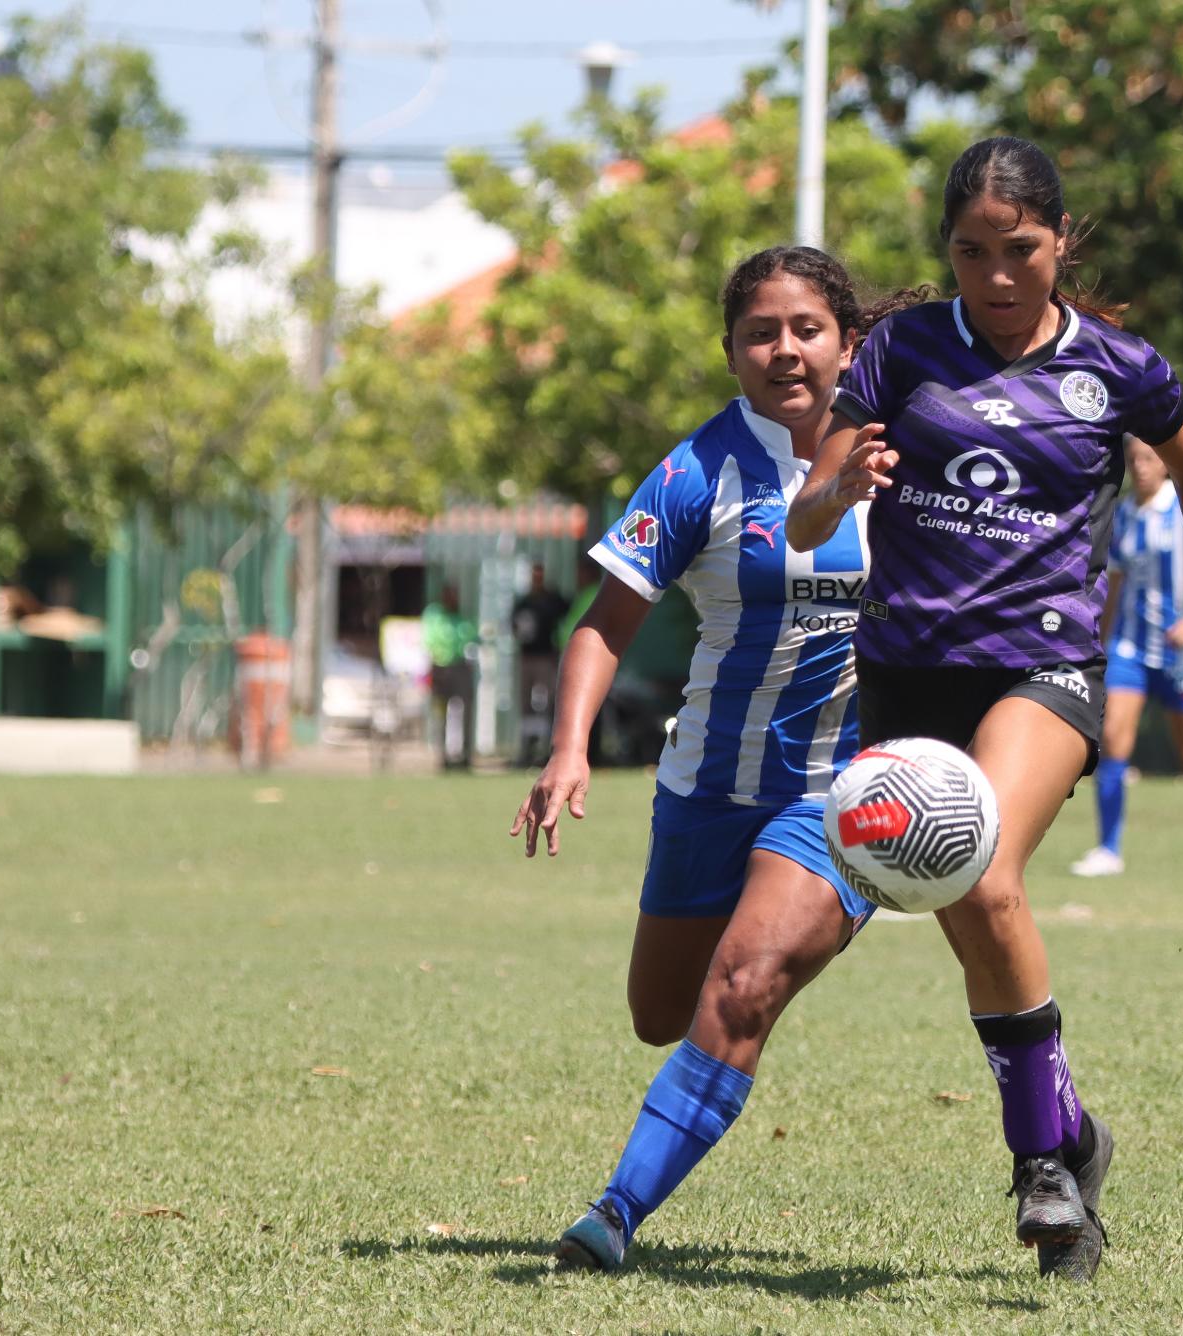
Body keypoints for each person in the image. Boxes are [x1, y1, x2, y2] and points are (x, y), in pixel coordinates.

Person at [786, 136, 1183, 1283]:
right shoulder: (898, 350)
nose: (995, 276)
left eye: (1019, 251)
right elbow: (809, 515)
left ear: (1060, 243)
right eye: (969, 252)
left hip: (1042, 663)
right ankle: (1075, 1140)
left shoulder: (1116, 367)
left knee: (982, 870)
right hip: (905, 672)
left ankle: (1039, 1172)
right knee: (963, 913)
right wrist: (841, 484)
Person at [509, 245, 888, 1275]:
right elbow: (604, 621)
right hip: (704, 790)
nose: (783, 349)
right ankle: (705, 1060)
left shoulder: (899, 464)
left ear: (847, 342)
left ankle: (613, 1213)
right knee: (659, 1015)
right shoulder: (695, 470)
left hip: (838, 797)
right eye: (759, 331)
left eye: (805, 328)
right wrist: (566, 746)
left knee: (744, 981)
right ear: (730, 350)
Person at [1070, 436, 1183, 879]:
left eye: (1149, 459)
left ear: (1166, 465)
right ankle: (1108, 849)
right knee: (1113, 741)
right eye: (1134, 460)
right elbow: (1115, 584)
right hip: (1130, 647)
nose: (1142, 467)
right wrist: (1101, 642)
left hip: (1182, 654)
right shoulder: (1125, 513)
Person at [510, 562, 570, 765]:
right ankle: (527, 748)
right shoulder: (524, 602)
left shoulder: (552, 600)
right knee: (526, 704)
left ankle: (546, 747)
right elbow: (514, 627)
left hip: (546, 658)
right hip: (528, 657)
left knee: (547, 702)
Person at [423, 582, 478, 769]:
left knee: (466, 709)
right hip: (440, 668)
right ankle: (443, 755)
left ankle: (466, 753)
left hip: (459, 666)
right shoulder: (434, 615)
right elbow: (429, 639)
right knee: (441, 713)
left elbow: (472, 637)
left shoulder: (461, 617)